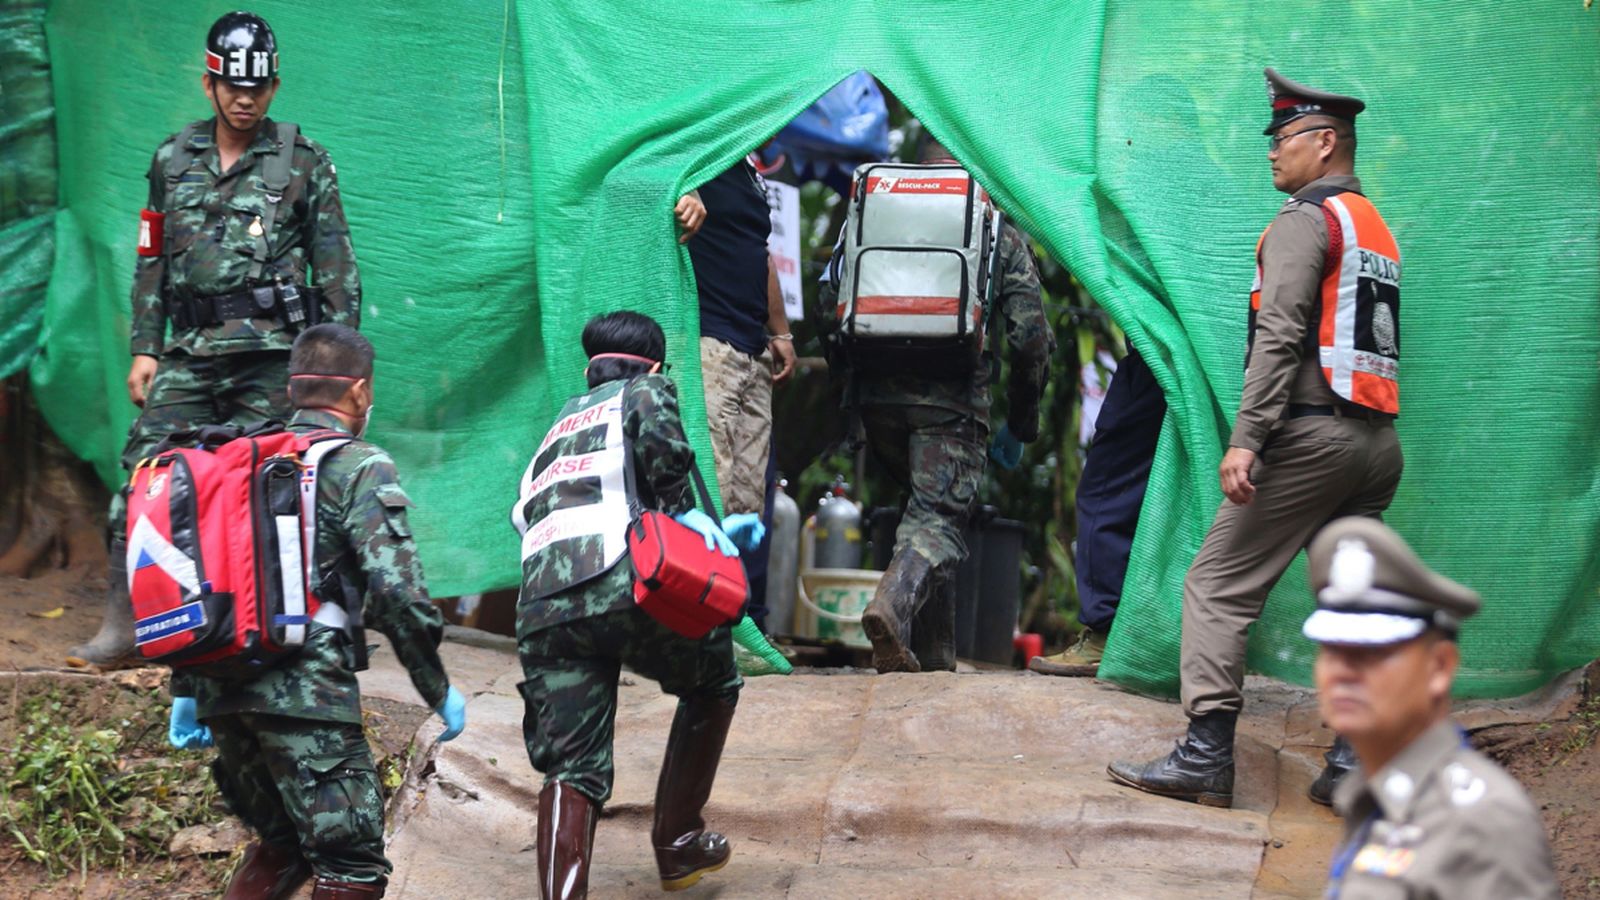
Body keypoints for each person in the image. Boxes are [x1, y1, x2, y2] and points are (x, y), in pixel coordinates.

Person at [1109, 68, 1403, 807]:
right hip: (1374, 445)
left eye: (1283, 138)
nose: (1271, 152)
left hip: (1312, 438)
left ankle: (1206, 755)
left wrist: (1248, 439)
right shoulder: (1374, 227)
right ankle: (1354, 757)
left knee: (1215, 587)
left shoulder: (1307, 221)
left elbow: (1279, 335)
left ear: (1324, 141)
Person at [70, 10, 361, 667]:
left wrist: (339, 370)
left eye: (256, 86)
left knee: (274, 488)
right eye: (231, 83)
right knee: (143, 480)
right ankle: (126, 627)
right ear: (209, 84)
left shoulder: (304, 160)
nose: (243, 96)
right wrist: (146, 347)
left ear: (274, 87)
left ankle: (272, 630)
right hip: (190, 355)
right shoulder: (172, 159)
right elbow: (152, 258)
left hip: (273, 359)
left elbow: (339, 266)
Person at [164, 324, 465, 899]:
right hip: (306, 694)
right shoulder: (358, 464)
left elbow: (194, 581)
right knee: (350, 867)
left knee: (280, 846)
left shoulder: (234, 460)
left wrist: (188, 687)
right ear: (358, 392)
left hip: (223, 693)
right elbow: (397, 591)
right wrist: (435, 685)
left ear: (292, 388)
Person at [511, 312, 758, 899]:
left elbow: (522, 515)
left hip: (542, 605)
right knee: (714, 680)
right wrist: (685, 510)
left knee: (569, 767)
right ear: (652, 364)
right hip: (621, 582)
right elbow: (659, 439)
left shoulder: (555, 429)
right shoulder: (645, 388)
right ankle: (678, 843)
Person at [820, 138, 1053, 673]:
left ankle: (935, 656)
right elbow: (1030, 337)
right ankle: (890, 607)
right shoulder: (993, 229)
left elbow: (825, 297)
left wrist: (850, 390)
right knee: (937, 518)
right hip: (950, 404)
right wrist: (1021, 421)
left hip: (877, 397)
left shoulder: (876, 216)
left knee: (928, 510)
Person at [1303, 517, 1558, 899]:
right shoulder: (1376, 794)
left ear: (1439, 668)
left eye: (1373, 652)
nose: (1342, 672)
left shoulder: (1481, 821)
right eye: (1331, 649)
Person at [685, 155, 796, 675]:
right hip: (709, 341)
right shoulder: (697, 152)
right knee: (712, 482)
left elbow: (762, 253)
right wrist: (681, 200)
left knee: (748, 500)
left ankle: (731, 622)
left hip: (753, 350)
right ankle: (694, 627)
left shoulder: (749, 172)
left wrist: (781, 332)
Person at [1030, 345, 1166, 676]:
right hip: (1193, 362)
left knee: (1106, 493)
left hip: (1155, 359)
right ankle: (1143, 635)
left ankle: (1105, 635)